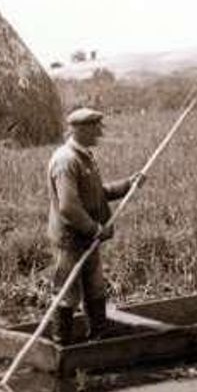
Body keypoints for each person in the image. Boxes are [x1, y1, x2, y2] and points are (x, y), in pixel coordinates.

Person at [47, 107, 143, 344]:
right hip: (71, 240)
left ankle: (98, 340)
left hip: (88, 238)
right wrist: (94, 229)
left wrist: (128, 185)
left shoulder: (85, 156)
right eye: (95, 128)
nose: (100, 132)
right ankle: (62, 346)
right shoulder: (65, 160)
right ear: (81, 129)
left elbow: (98, 194)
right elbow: (68, 207)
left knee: (95, 289)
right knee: (67, 295)